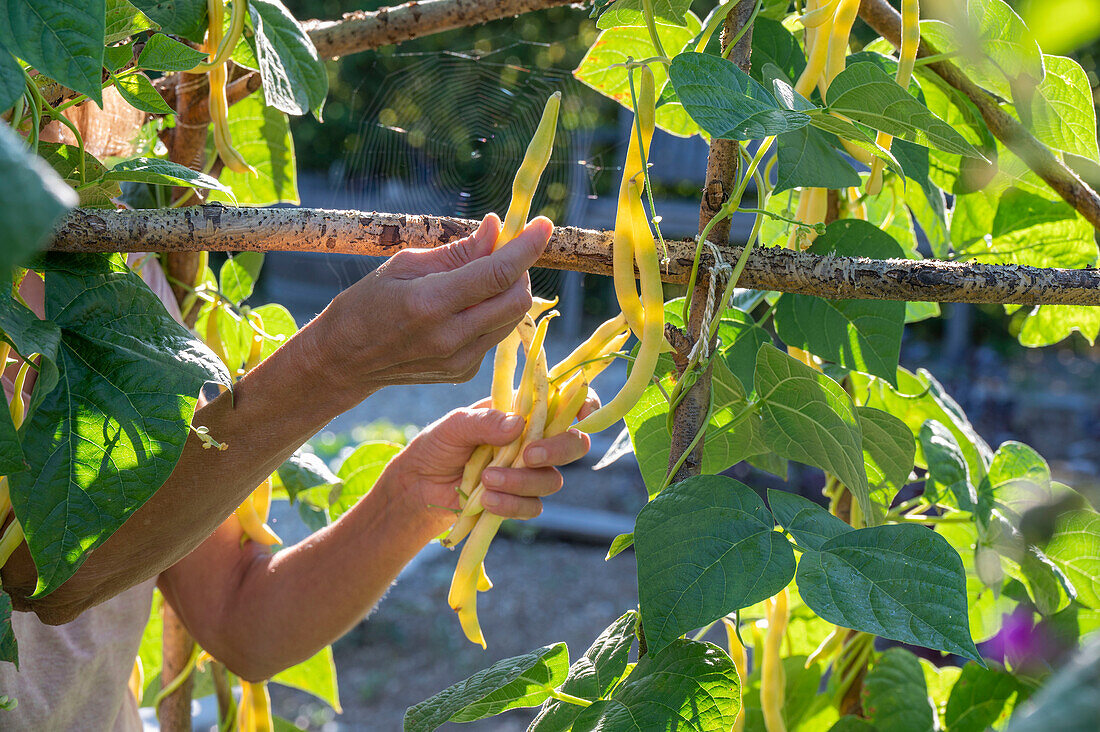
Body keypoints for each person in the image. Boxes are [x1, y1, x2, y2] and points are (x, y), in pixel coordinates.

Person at [0, 214, 593, 730]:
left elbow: (239, 618)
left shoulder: (113, 252)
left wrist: (414, 496)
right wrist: (334, 360)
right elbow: (43, 580)